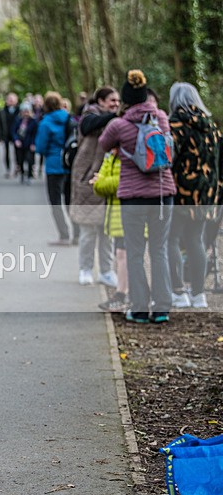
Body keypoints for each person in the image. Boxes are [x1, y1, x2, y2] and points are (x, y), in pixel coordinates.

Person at [99, 70, 176, 324]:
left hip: (133, 196)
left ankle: (140, 308)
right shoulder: (161, 118)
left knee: (134, 251)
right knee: (159, 249)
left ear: (125, 99)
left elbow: (103, 144)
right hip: (163, 193)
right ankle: (163, 307)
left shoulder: (119, 125)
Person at [167, 82, 221, 309]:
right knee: (196, 240)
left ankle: (179, 291)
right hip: (207, 192)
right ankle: (199, 293)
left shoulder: (175, 125)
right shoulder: (211, 126)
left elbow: (170, 158)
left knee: (171, 239)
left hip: (182, 191)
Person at [69, 87, 120, 286]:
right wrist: (114, 116)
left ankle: (107, 271)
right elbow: (89, 126)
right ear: (100, 101)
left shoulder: (116, 122)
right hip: (87, 180)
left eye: (117, 101)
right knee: (88, 231)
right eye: (111, 100)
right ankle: (86, 269)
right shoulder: (89, 115)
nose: (115, 104)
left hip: (108, 180)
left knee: (108, 231)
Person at [92, 151, 130, 312]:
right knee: (121, 253)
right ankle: (122, 294)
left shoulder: (126, 154)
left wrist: (101, 181)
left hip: (127, 210)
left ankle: (124, 295)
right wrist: (101, 181)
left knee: (125, 254)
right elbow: (101, 181)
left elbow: (120, 181)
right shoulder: (111, 155)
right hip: (117, 211)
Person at [35, 91, 74, 245]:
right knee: (71, 200)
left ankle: (64, 235)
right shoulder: (69, 119)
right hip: (70, 164)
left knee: (55, 202)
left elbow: (40, 146)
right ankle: (77, 233)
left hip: (53, 165)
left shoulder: (46, 123)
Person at [12, 102, 38, 184]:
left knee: (29, 160)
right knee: (21, 160)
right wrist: (16, 140)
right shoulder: (18, 120)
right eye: (24, 111)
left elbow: (35, 133)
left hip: (29, 143)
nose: (26, 113)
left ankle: (29, 175)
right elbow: (13, 131)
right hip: (20, 143)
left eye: (27, 111)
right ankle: (22, 174)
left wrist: (33, 144)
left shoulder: (33, 122)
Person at [2, 92, 20, 178]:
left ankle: (17, 167)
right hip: (6, 134)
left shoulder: (20, 110)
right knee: (6, 152)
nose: (11, 101)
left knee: (17, 152)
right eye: (9, 99)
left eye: (13, 99)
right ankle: (8, 169)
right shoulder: (3, 111)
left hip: (16, 134)